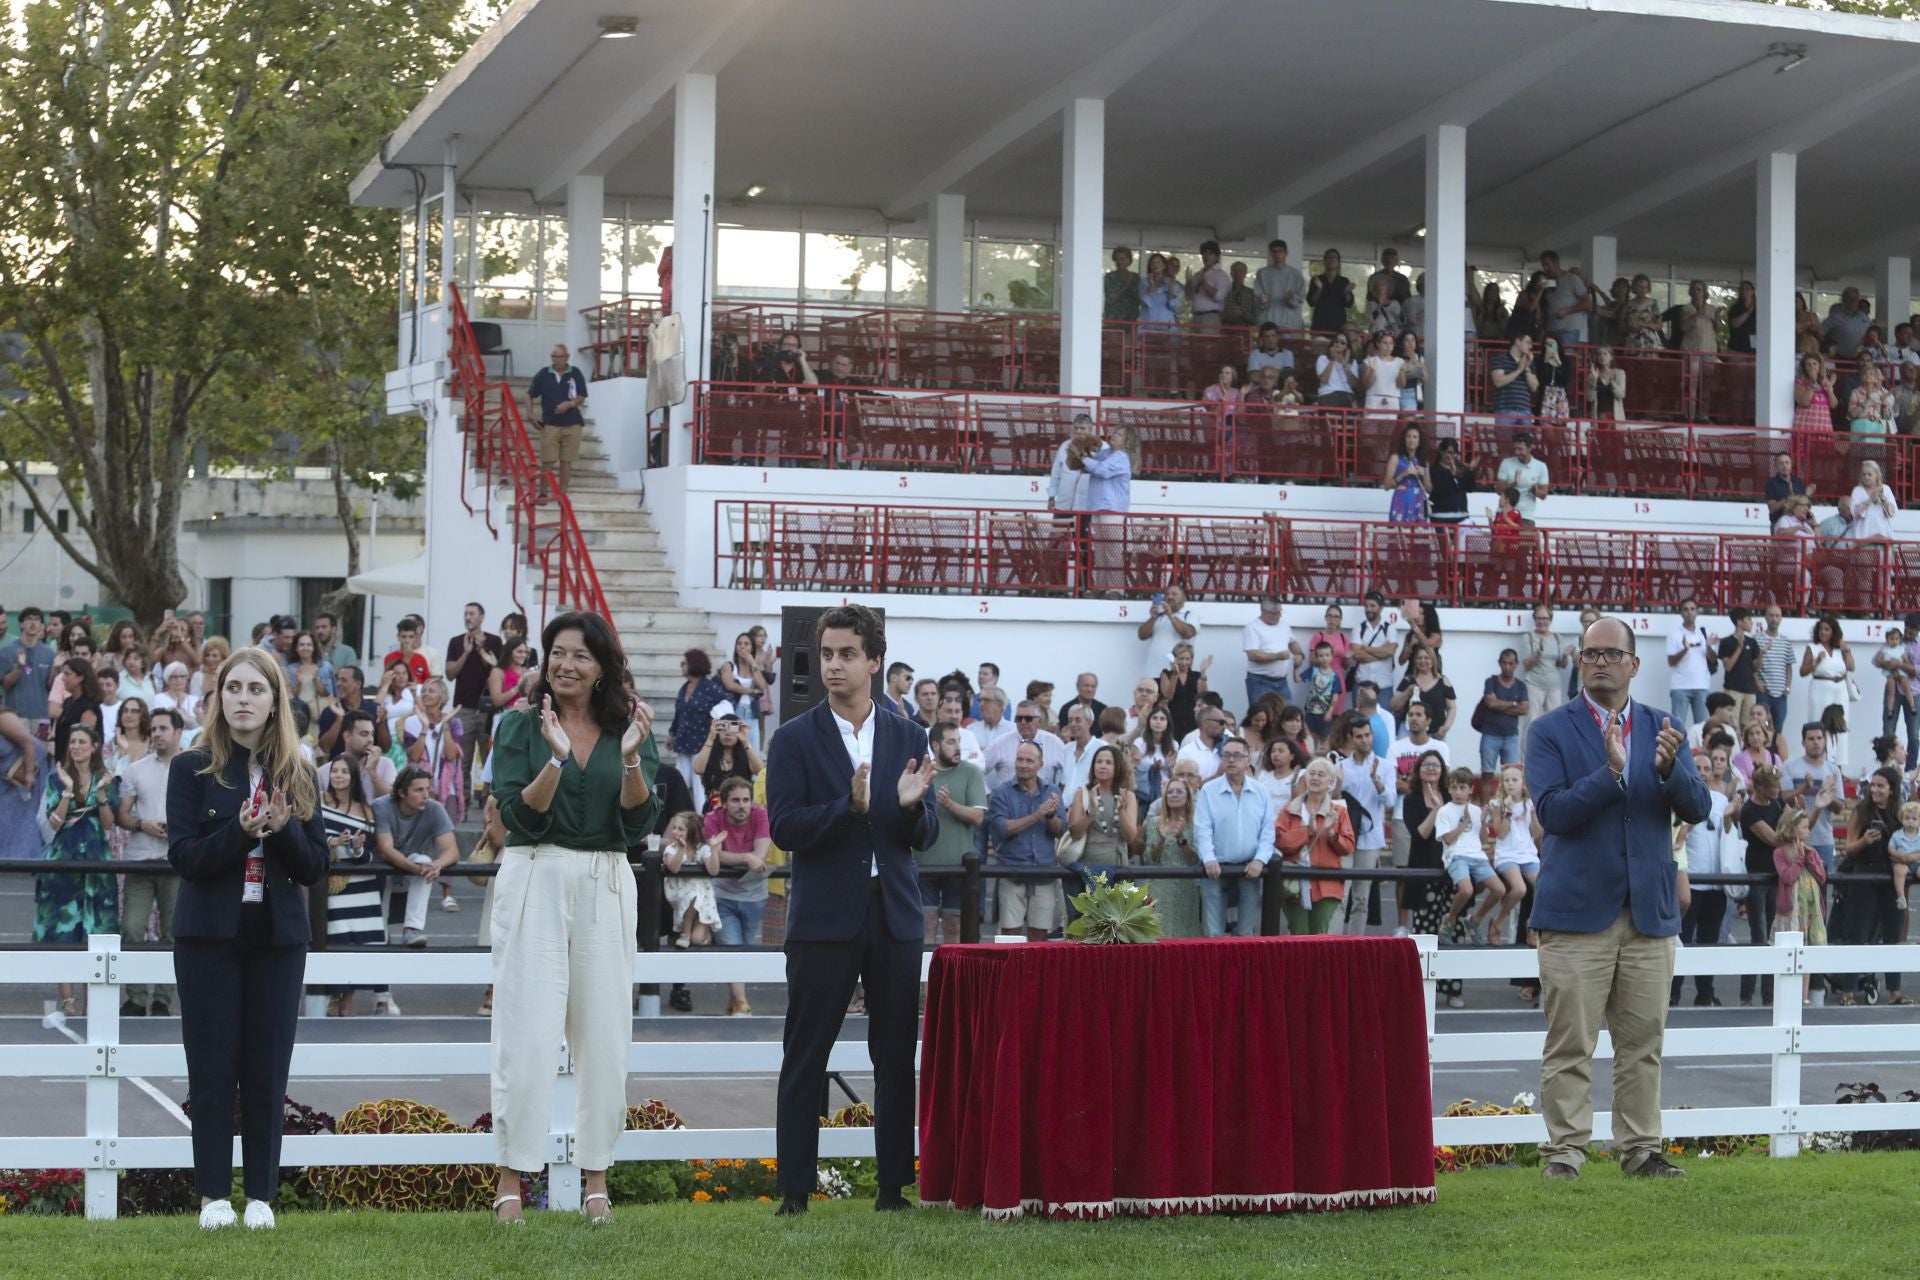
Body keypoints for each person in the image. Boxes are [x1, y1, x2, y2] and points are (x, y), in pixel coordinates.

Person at [488, 611, 659, 1225]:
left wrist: (633, 759)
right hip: (535, 870)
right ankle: (512, 1182)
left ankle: (596, 1183)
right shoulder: (518, 725)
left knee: (605, 1035)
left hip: (608, 879)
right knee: (527, 1033)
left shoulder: (630, 728)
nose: (566, 665)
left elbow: (639, 824)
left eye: (581, 656)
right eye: (557, 653)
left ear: (603, 666)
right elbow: (517, 817)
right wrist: (555, 761)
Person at [762, 604, 932, 1216]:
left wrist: (912, 807)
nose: (834, 665)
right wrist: (848, 807)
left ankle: (893, 1190)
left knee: (895, 1056)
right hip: (822, 919)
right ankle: (794, 1193)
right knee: (805, 1054)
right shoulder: (792, 739)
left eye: (846, 654)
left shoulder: (911, 736)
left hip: (894, 915)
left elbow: (925, 834)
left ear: (874, 660)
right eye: (826, 654)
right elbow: (783, 828)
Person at [1527, 615, 1710, 1181]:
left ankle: (1641, 1151)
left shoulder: (1663, 726)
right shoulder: (1550, 730)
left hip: (1649, 913)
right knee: (1570, 1045)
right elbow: (1553, 813)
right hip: (1577, 913)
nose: (1600, 661)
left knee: (1642, 1045)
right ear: (1578, 662)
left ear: (1635, 664)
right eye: (1590, 653)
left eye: (1611, 653)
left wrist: (1668, 773)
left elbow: (1699, 806)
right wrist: (1612, 773)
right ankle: (1565, 1154)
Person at [165, 647, 327, 1230]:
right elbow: (184, 857)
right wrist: (238, 833)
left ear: (275, 699)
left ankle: (260, 1195)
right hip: (208, 937)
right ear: (218, 697)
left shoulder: (298, 770)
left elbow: (314, 868)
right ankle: (213, 1196)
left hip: (277, 939)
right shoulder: (191, 768)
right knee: (211, 1070)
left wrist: (281, 834)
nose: (243, 699)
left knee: (266, 1071)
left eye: (255, 689)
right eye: (233, 688)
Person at [36, 722, 120, 1017]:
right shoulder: (56, 777)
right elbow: (54, 824)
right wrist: (69, 793)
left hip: (97, 860)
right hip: (63, 859)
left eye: (82, 741)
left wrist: (99, 794)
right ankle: (68, 1001)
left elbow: (110, 823)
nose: (76, 747)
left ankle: (92, 1003)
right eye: (72, 742)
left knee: (96, 931)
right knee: (64, 929)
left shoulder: (106, 777)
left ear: (94, 746)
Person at [116, 707, 183, 1016]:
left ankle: (162, 1000)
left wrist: (179, 831)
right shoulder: (135, 769)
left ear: (178, 732)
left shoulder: (194, 770)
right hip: (140, 860)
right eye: (153, 729)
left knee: (173, 933)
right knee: (132, 928)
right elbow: (123, 814)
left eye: (162, 728)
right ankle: (137, 997)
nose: (156, 734)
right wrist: (142, 824)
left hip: (176, 862)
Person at [1828, 768, 1907, 1007]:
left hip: (1889, 876)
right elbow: (1848, 848)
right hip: (1862, 875)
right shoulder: (1862, 811)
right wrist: (1866, 840)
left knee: (1892, 936)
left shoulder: (1899, 812)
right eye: (1873, 785)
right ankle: (1849, 990)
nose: (1875, 790)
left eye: (1880, 786)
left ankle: (1895, 990)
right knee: (1857, 934)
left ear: (1891, 789)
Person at [317, 752, 386, 1017]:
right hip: (332, 887)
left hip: (362, 887)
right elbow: (307, 840)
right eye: (335, 771)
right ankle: (334, 998)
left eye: (344, 771)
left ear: (354, 776)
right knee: (336, 940)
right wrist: (332, 843)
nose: (338, 776)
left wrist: (357, 849)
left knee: (360, 942)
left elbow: (371, 855)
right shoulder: (319, 803)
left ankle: (348, 1000)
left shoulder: (367, 810)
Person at [704, 776, 773, 1017]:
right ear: (723, 803)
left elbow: (761, 853)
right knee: (731, 948)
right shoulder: (712, 819)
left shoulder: (760, 814)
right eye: (735, 800)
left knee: (746, 949)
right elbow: (717, 855)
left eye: (746, 800)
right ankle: (742, 1003)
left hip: (755, 896)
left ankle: (734, 1003)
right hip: (723, 894)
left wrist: (752, 857)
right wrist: (745, 858)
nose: (742, 805)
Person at [1193, 736, 1273, 937]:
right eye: (1226, 755)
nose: (1230, 760)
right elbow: (1202, 829)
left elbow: (1268, 831)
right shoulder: (1208, 791)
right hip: (1215, 866)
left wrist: (1260, 860)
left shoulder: (1261, 791)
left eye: (1236, 755)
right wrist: (1208, 858)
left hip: (1249, 866)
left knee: (1246, 932)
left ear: (1248, 761)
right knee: (1213, 932)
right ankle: (1214, 967)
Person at [372, 767, 459, 948]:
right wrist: (418, 870)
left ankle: (412, 928)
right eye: (419, 790)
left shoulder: (434, 808)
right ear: (402, 792)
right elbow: (386, 850)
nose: (426, 795)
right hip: (379, 864)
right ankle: (381, 934)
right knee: (394, 869)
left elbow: (452, 851)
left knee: (426, 862)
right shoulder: (382, 805)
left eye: (428, 789)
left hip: (411, 859)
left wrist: (435, 866)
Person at [1273, 757, 1356, 936]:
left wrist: (1332, 834)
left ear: (1330, 783)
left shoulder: (1339, 812)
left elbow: (1348, 847)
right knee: (1299, 933)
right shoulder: (1290, 809)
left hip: (1326, 882)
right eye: (1311, 773)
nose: (1315, 778)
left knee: (1320, 934)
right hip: (1293, 884)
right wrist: (1308, 832)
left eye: (1321, 775)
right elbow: (1280, 842)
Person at [921, 722, 985, 944]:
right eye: (951, 742)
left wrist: (949, 804)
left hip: (959, 868)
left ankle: (953, 980)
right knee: (925, 925)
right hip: (923, 865)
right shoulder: (923, 774)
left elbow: (978, 817)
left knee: (953, 925)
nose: (958, 747)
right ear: (936, 745)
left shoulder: (971, 772)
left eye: (959, 741)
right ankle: (925, 980)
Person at [1432, 766, 1504, 948]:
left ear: (1471, 790)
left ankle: (1476, 919)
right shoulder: (1445, 811)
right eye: (1454, 787)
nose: (1458, 792)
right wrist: (1464, 823)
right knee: (1466, 890)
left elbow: (1483, 839)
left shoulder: (1476, 810)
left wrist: (1482, 822)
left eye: (1462, 788)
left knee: (1499, 890)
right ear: (1449, 789)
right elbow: (1447, 839)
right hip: (1456, 856)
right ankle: (1450, 919)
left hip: (1477, 856)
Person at [445, 601, 504, 777]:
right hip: (463, 709)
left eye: (472, 613)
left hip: (488, 709)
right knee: (462, 759)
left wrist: (481, 650)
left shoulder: (494, 641)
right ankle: (462, 802)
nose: (468, 617)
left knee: (489, 759)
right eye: (466, 614)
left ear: (482, 617)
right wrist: (466, 652)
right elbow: (449, 674)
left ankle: (488, 801)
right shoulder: (455, 642)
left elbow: (499, 671)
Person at [1139, 775, 1201, 936]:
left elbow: (1196, 860)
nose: (1174, 795)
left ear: (1188, 797)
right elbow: (1149, 859)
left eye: (1179, 791)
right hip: (1160, 887)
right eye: (1170, 792)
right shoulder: (1154, 822)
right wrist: (1162, 838)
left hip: (1186, 886)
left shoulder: (1197, 823)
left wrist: (1181, 839)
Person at [526, 343, 590, 495]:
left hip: (572, 423)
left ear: (567, 357)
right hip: (550, 423)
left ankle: (562, 494)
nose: (557, 360)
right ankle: (542, 492)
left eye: (560, 356)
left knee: (566, 461)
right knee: (547, 460)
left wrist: (569, 404)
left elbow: (582, 397)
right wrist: (530, 414)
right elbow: (530, 394)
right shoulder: (544, 374)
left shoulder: (575, 373)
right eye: (554, 356)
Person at [1487, 764, 1540, 945]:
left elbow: (1537, 833)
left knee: (1543, 886)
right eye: (1506, 780)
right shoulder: (1497, 804)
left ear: (1523, 783)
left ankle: (1533, 925)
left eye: (1514, 780)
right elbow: (1500, 833)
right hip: (1507, 854)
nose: (1510, 784)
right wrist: (1508, 812)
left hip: (1527, 853)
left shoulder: (1529, 803)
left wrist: (1534, 814)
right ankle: (1498, 922)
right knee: (1520, 889)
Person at [669, 650, 727, 808]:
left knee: (699, 784)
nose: (681, 666)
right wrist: (672, 733)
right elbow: (679, 713)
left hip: (701, 742)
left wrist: (714, 722)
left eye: (684, 663)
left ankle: (702, 818)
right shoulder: (684, 688)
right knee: (680, 780)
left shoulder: (709, 688)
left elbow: (725, 706)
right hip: (683, 741)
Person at [1477, 649, 1529, 790]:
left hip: (1511, 736)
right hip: (1490, 734)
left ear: (1516, 664)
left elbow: (1524, 709)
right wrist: (1513, 704)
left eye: (1510, 663)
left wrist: (1499, 704)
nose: (1507, 667)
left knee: (1511, 775)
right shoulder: (1491, 681)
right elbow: (1491, 703)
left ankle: (1509, 810)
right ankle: (1484, 809)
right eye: (1504, 663)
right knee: (1487, 775)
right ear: (1499, 663)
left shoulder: (1520, 685)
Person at [1664, 599, 1714, 734]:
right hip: (1680, 687)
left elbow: (1714, 659)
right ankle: (1678, 754)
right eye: (1686, 609)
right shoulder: (1674, 634)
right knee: (1677, 727)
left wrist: (1709, 646)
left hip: (1702, 685)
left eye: (1692, 609)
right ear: (1681, 613)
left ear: (1697, 612)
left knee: (1703, 728)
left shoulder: (1704, 632)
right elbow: (1671, 662)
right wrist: (1684, 650)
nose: (1689, 612)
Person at [1, 606, 55, 727]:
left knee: (41, 746)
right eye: (29, 619)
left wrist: (57, 669)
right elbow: (5, 685)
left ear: (42, 625)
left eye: (37, 619)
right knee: (17, 746)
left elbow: (50, 686)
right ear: (21, 624)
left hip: (42, 716)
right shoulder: (7, 651)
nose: (33, 623)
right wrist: (19, 667)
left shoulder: (49, 653)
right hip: (16, 716)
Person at [718, 631, 771, 751]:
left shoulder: (754, 667)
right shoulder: (729, 665)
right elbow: (730, 685)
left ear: (752, 647)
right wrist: (751, 691)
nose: (742, 646)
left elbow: (762, 686)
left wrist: (752, 662)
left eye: (746, 644)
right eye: (739, 643)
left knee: (752, 747)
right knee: (734, 748)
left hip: (751, 711)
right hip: (734, 709)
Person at [1381, 421, 1430, 524]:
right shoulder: (1396, 458)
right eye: (1408, 436)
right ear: (1404, 439)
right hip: (1401, 501)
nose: (1411, 440)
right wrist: (1404, 474)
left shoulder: (1423, 461)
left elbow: (1429, 488)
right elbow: (1386, 485)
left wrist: (1424, 474)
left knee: (1418, 537)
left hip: (1418, 502)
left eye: (1415, 437)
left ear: (1419, 441)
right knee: (1399, 535)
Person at [1254, 239, 1305, 334]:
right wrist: (1262, 301)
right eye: (1274, 251)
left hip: (1287, 323)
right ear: (1271, 254)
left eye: (1280, 251)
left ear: (1286, 253)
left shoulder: (1295, 275)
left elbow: (1300, 299)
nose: (1277, 254)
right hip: (1267, 321)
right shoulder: (1262, 273)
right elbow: (1257, 297)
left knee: (1285, 348)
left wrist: (1292, 298)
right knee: (1266, 348)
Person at [1496, 432, 1550, 521]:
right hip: (1504, 513)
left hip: (1526, 516)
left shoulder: (1541, 466)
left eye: (1520, 449)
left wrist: (1535, 491)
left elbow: (1543, 495)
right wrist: (1514, 484)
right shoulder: (1506, 463)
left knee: (1527, 534)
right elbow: (1498, 490)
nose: (1517, 452)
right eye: (1515, 449)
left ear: (1529, 448)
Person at [1489, 334, 1539, 427]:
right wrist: (1519, 370)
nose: (1531, 346)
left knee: (1525, 441)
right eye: (1527, 342)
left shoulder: (1530, 363)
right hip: (1505, 409)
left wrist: (1527, 368)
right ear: (1517, 341)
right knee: (1504, 441)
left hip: (1525, 410)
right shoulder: (1500, 359)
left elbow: (1534, 387)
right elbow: (1498, 382)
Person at [1842, 460, 1899, 540]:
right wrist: (1870, 500)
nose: (1866, 477)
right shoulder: (1857, 490)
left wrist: (1883, 499)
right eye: (1864, 475)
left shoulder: (1886, 489)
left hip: (1885, 537)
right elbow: (1855, 512)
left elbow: (1892, 513)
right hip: (1864, 538)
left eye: (1869, 474)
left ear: (1877, 475)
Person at [1306, 248, 1353, 334]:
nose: (1331, 260)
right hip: (1320, 324)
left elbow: (1349, 304)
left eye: (1334, 258)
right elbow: (1311, 302)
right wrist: (1319, 289)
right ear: (1324, 261)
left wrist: (1346, 292)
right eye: (1328, 257)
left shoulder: (1344, 281)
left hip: (1338, 324)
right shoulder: (1317, 279)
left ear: (1338, 262)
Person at [1102, 246, 1139, 323]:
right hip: (1113, 321)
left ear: (1129, 260)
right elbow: (1110, 299)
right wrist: (1125, 287)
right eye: (1117, 259)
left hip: (1131, 321)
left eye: (1122, 259)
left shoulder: (1135, 277)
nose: (1119, 262)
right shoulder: (1110, 277)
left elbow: (1139, 299)